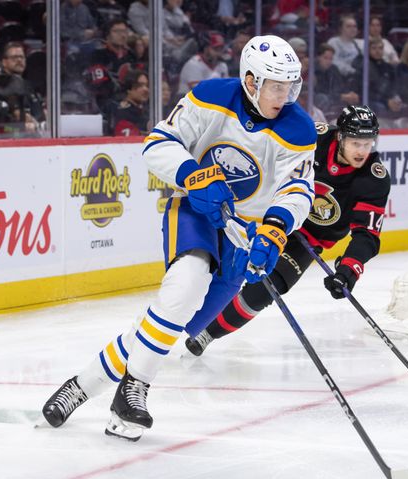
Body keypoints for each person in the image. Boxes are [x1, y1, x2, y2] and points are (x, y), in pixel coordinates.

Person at [41, 35, 317, 441]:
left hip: (244, 236)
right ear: (251, 80)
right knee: (185, 287)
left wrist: (275, 229)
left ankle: (83, 385)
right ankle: (132, 393)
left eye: (292, 86)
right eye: (277, 85)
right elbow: (158, 143)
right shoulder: (210, 97)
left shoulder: (299, 128)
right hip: (196, 212)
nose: (286, 95)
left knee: (173, 322)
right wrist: (194, 176)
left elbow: (297, 190)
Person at [184, 105, 390, 357]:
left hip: (309, 237)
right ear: (341, 137)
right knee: (227, 264)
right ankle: (182, 307)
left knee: (269, 286)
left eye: (368, 144)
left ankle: (208, 333)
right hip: (271, 213)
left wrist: (348, 270)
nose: (362, 151)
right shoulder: (316, 137)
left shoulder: (374, 179)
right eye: (356, 143)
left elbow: (366, 235)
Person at [109, 69, 150, 135]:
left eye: (147, 85)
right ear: (129, 89)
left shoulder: (148, 110)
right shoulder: (122, 112)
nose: (146, 89)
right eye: (140, 85)